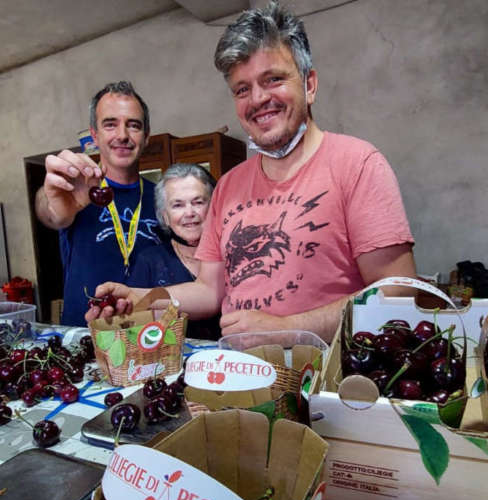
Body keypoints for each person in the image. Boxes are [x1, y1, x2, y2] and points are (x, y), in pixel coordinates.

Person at [87, 2, 416, 341]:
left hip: (319, 385)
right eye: (242, 89)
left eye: (273, 79)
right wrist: (140, 297)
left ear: (310, 85)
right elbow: (209, 292)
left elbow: (398, 295)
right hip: (236, 379)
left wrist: (285, 327)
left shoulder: (357, 164)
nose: (257, 99)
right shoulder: (228, 186)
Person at [34, 81, 161, 326]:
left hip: (146, 336)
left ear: (146, 137)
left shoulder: (164, 199)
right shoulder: (77, 191)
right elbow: (50, 212)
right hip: (85, 336)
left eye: (133, 125)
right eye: (110, 124)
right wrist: (53, 202)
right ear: (95, 135)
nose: (122, 135)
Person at [127, 163, 222, 341]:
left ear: (214, 207)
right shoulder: (149, 260)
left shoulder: (233, 252)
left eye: (198, 202)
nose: (189, 213)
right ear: (165, 216)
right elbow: (133, 327)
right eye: (178, 205)